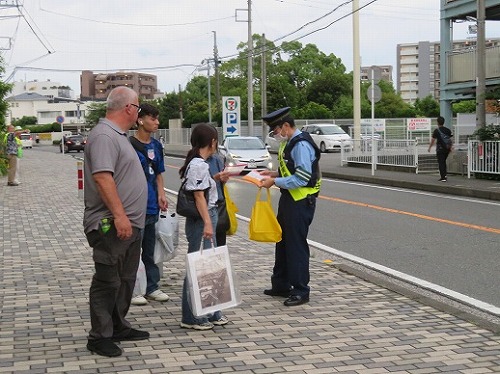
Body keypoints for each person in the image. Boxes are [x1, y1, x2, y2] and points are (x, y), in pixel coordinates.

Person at [83, 86, 149, 357]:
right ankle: (99, 337)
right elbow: (102, 178)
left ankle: (118, 325)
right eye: (138, 108)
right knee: (108, 280)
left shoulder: (118, 136)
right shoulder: (104, 136)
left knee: (125, 279)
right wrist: (121, 216)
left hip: (130, 225)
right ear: (129, 109)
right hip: (111, 224)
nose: (139, 113)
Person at [259, 107, 321, 307]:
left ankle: (301, 290)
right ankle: (281, 284)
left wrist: (275, 183)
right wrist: (275, 175)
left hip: (301, 201)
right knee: (282, 241)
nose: (276, 135)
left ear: (286, 126)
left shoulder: (301, 145)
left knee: (295, 246)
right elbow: (291, 169)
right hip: (290, 199)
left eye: (276, 130)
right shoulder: (290, 143)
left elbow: (302, 178)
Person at [179, 123, 229, 330]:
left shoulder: (201, 163)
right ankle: (192, 317)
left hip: (207, 216)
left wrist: (215, 178)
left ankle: (210, 312)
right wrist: (208, 223)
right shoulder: (199, 164)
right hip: (203, 218)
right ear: (212, 142)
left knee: (208, 266)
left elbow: (202, 188)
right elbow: (199, 196)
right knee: (198, 267)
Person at [129, 103, 170, 306]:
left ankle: (152, 287)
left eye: (157, 118)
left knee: (150, 250)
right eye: (152, 118)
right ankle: (134, 288)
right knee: (133, 251)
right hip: (134, 207)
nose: (156, 122)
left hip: (153, 204)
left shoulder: (156, 145)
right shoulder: (128, 145)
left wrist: (162, 194)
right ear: (140, 120)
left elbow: (159, 173)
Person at [206, 152, 230, 246]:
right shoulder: (195, 161)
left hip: (219, 206)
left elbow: (221, 186)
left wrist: (223, 180)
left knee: (220, 246)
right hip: (202, 208)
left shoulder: (217, 159)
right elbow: (197, 189)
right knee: (203, 248)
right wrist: (215, 178)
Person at [428, 116, 453, 182]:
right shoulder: (448, 130)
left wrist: (429, 147)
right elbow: (450, 139)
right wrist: (451, 147)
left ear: (438, 122)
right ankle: (444, 175)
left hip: (440, 149)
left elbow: (433, 140)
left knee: (441, 162)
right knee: (443, 161)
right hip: (447, 149)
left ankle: (443, 177)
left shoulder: (437, 130)